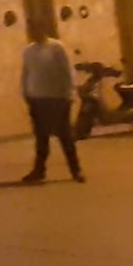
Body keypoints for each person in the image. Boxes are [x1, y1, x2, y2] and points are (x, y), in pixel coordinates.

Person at [21, 23, 83, 183]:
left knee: (65, 136)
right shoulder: (28, 51)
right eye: (31, 30)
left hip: (57, 98)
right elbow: (26, 73)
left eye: (36, 29)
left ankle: (76, 170)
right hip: (37, 99)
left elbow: (67, 70)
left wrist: (70, 93)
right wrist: (25, 92)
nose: (34, 33)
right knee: (41, 137)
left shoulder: (56, 47)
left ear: (43, 30)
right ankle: (39, 170)